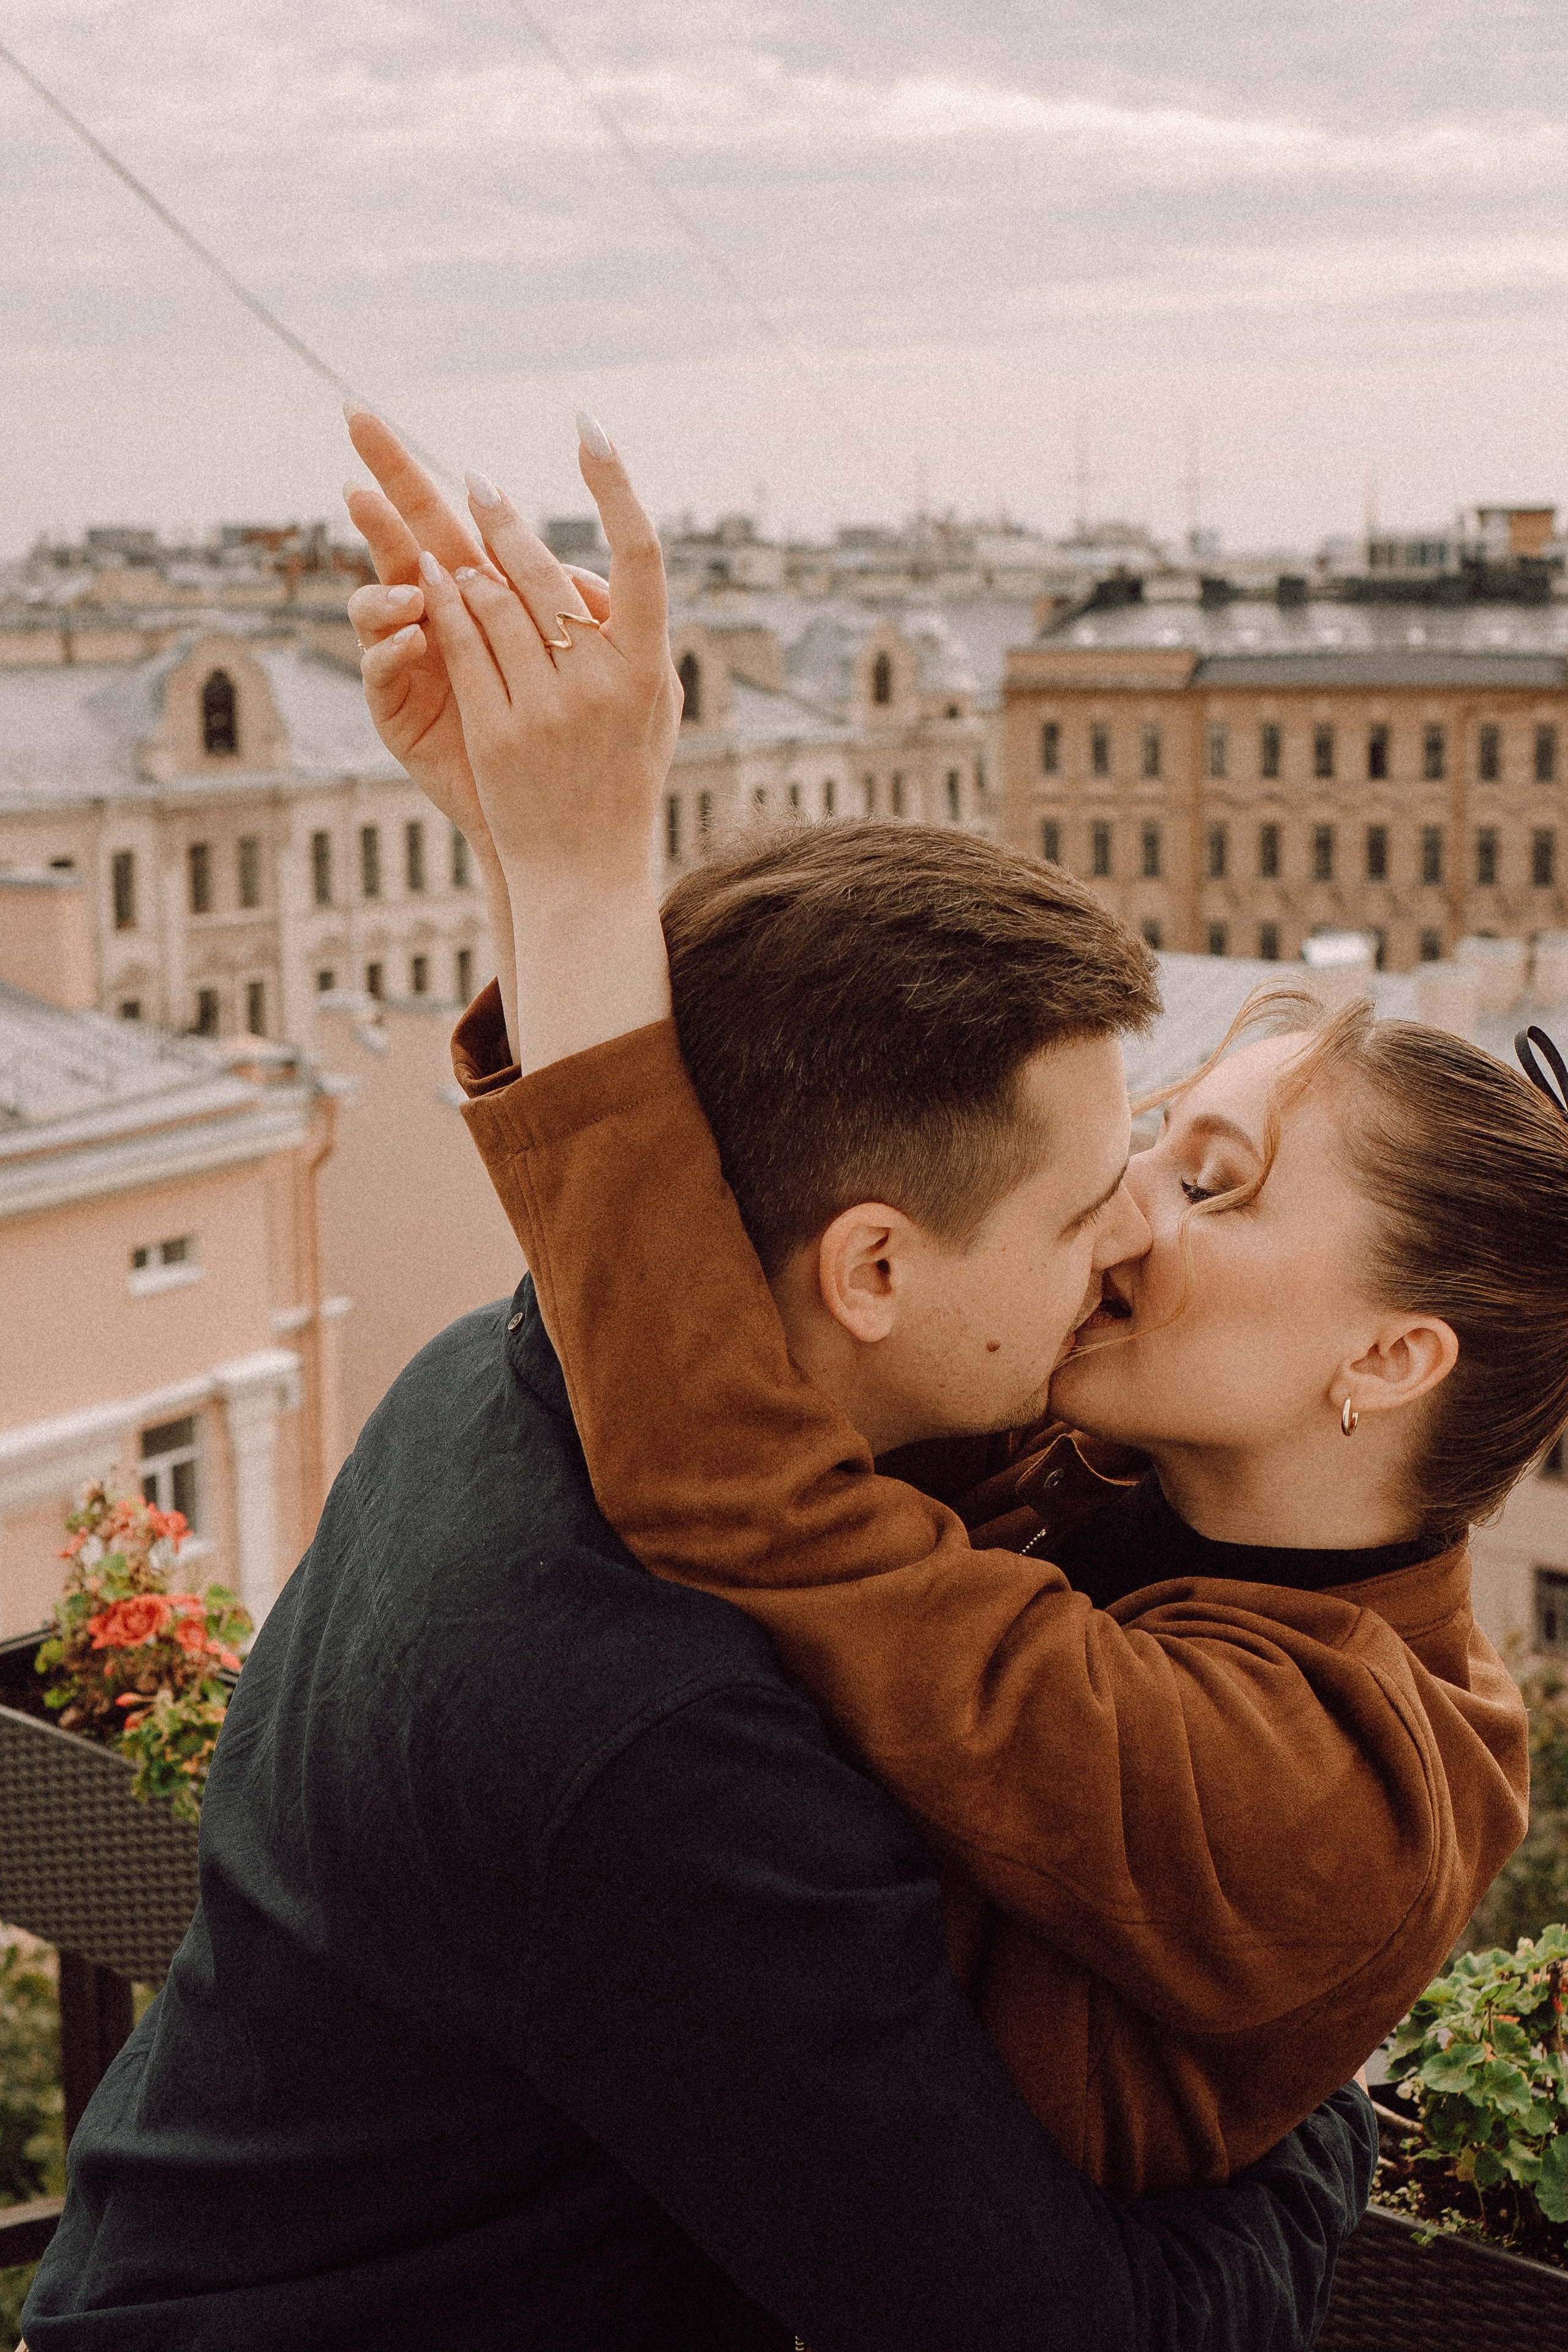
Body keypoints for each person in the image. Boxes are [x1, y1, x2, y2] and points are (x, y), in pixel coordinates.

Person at [13, 496, 1381, 2352]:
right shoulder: (656, 1741)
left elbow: (627, 1197)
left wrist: (553, 855)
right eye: (1087, 1209)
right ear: (875, 1272)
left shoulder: (493, 1381)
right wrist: (1312, 2067)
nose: (1135, 1232)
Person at [340, 411, 1529, 2206]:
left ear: (1389, 1357)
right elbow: (763, 1261)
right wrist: (526, 839)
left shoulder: (1329, 1785)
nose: (1128, 1209)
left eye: (1209, 1185)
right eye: (1147, 1145)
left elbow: (741, 1479)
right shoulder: (1129, 1473)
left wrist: (581, 870)